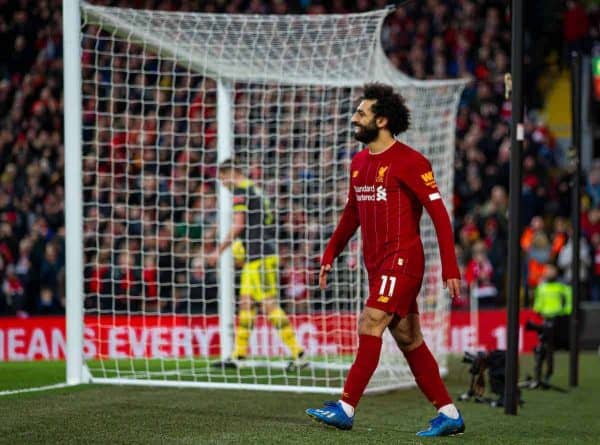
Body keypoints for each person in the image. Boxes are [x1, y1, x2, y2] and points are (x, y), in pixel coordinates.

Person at [305, 83, 465, 436]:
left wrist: (450, 267)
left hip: (403, 260)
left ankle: (345, 406)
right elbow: (352, 213)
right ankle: (450, 413)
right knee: (409, 339)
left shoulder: (411, 162)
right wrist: (330, 253)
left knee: (370, 322)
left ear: (382, 120)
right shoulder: (359, 162)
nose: (354, 118)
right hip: (376, 264)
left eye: (361, 113)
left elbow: (439, 214)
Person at [208, 160, 306, 370]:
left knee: (268, 304)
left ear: (229, 173)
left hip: (260, 256)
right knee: (246, 304)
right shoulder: (257, 191)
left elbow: (239, 224)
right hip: (259, 255)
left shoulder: (242, 192)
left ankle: (299, 353)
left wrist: (219, 249)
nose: (223, 184)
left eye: (222, 179)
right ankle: (238, 356)